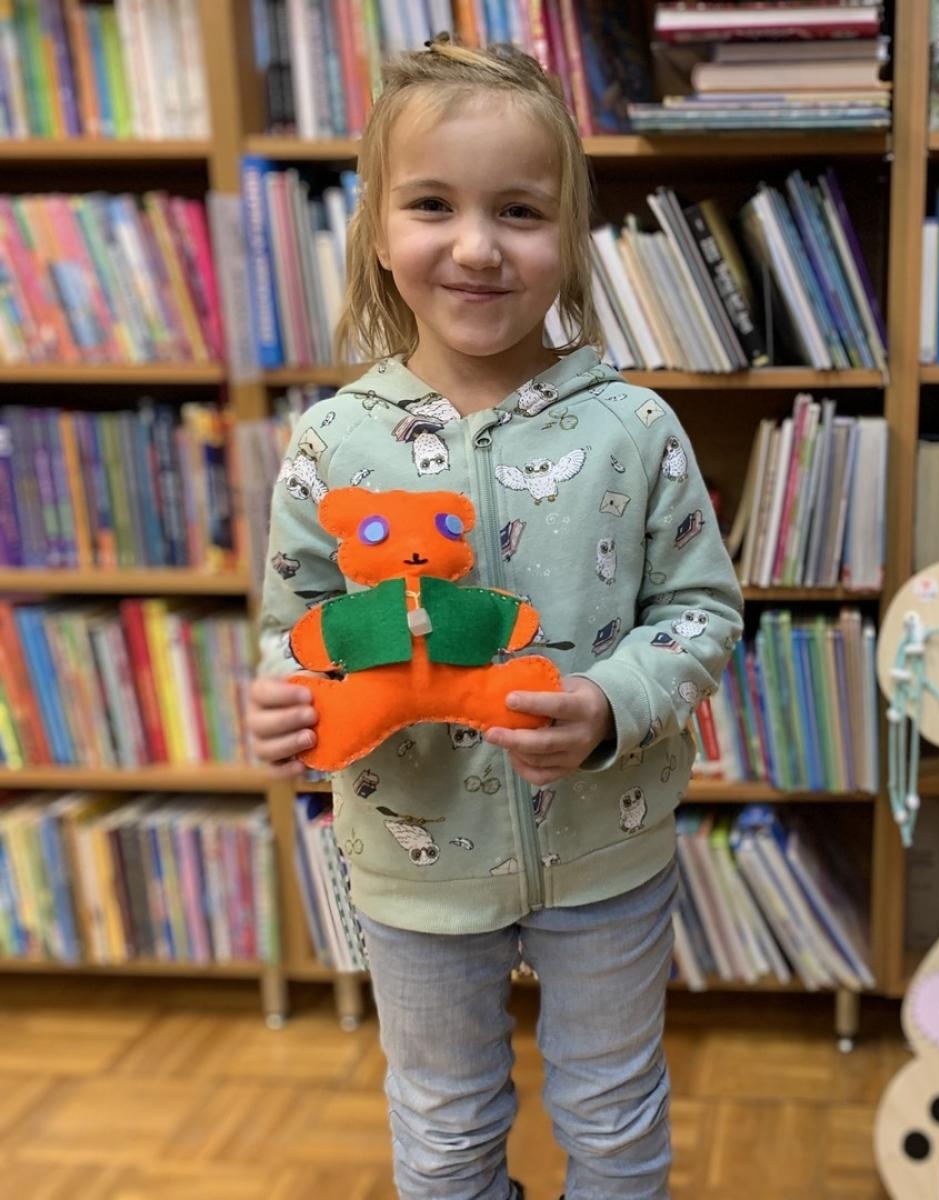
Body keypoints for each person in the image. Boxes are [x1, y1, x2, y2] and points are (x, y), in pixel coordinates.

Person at [245, 36, 742, 1200]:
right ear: (376, 226)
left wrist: (610, 704)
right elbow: (299, 622)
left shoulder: (632, 426)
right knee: (444, 1126)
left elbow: (700, 611)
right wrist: (288, 701)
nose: (475, 246)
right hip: (407, 859)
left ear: (569, 237)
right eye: (432, 204)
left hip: (606, 853)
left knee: (614, 1117)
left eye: (519, 210)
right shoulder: (330, 441)